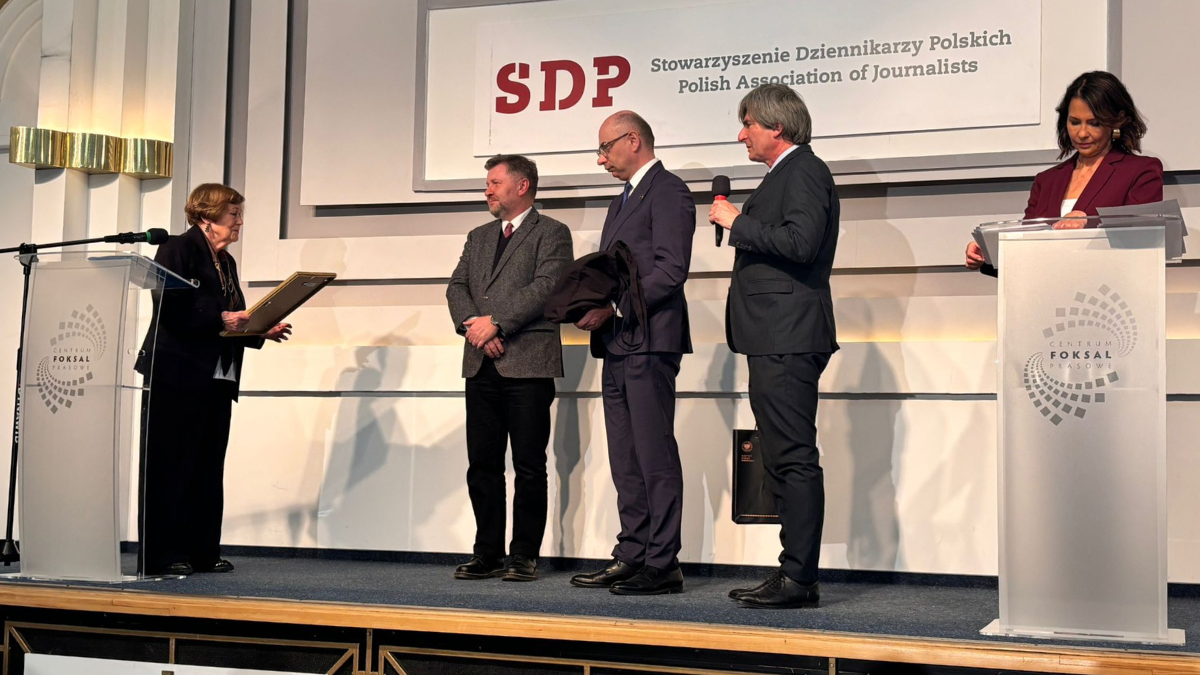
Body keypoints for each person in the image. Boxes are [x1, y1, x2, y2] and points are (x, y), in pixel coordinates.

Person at [709, 84, 839, 608]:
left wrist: (737, 223)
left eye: (748, 124)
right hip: (775, 335)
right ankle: (793, 572)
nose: (742, 135)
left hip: (789, 334)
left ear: (776, 127)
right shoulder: (784, 174)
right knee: (784, 456)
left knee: (792, 457)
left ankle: (799, 578)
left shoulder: (804, 170)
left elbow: (801, 243)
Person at [137, 183, 292, 576]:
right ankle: (162, 555)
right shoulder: (176, 248)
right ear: (207, 216)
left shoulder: (227, 261)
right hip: (175, 373)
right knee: (170, 466)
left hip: (217, 376)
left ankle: (203, 552)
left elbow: (234, 316)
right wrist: (222, 318)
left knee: (207, 467)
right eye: (233, 214)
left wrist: (259, 329)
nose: (239, 222)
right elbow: (169, 307)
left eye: (240, 214)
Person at [570, 111, 695, 596]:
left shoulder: (669, 191)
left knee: (653, 452)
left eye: (605, 148)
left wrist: (615, 306)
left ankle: (662, 563)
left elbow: (671, 270)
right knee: (625, 456)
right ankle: (632, 553)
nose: (601, 159)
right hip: (618, 342)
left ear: (634, 140)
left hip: (650, 340)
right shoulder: (620, 198)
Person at [446, 155, 573, 582]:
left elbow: (548, 287)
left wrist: (497, 322)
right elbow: (456, 286)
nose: (487, 190)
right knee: (482, 464)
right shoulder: (478, 236)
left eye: (495, 182)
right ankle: (487, 553)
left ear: (522, 186)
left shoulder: (552, 232)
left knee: (529, 466)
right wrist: (476, 327)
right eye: (487, 183)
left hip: (528, 364)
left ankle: (523, 555)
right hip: (481, 362)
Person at [966, 71, 1163, 274]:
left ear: (1118, 120)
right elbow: (1027, 251)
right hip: (1047, 290)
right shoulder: (1046, 181)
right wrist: (989, 253)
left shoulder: (1141, 171)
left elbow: (1142, 240)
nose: (1082, 133)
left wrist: (1089, 221)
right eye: (1075, 122)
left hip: (1110, 288)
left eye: (1094, 123)